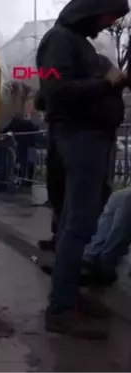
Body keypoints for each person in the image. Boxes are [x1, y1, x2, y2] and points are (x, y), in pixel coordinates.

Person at [35, 0, 128, 339]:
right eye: (107, 17)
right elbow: (52, 93)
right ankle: (61, 307)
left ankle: (70, 295)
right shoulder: (59, 40)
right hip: (80, 137)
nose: (107, 25)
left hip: (90, 137)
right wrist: (109, 84)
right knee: (77, 223)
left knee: (80, 221)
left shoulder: (78, 45)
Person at [37, 54, 117, 253]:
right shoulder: (102, 68)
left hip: (72, 134)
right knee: (73, 189)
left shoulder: (70, 69)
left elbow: (43, 99)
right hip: (77, 135)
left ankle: (75, 244)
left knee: (69, 189)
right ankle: (69, 240)